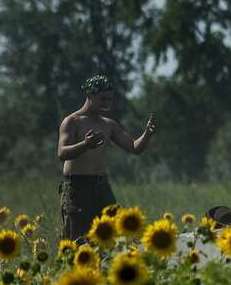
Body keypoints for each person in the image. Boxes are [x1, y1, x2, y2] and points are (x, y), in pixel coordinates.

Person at [58, 75, 157, 240]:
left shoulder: (109, 124)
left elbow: (134, 147)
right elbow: (62, 153)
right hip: (76, 187)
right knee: (77, 239)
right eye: (102, 99)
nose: (107, 103)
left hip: (101, 186)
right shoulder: (72, 122)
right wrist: (85, 144)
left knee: (114, 234)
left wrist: (147, 134)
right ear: (90, 96)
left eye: (109, 99)